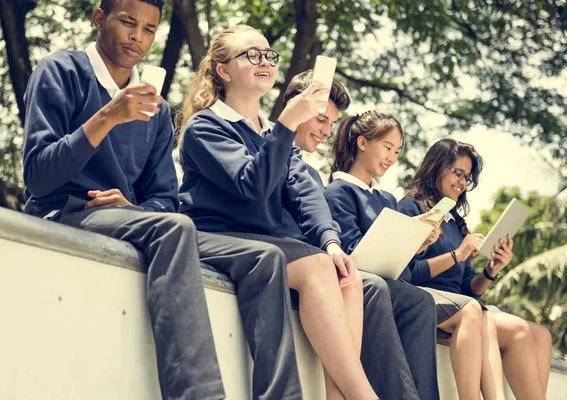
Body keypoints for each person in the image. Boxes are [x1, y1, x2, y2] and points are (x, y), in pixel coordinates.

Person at [22, 2, 303, 398]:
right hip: (66, 212)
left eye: (150, 29)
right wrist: (107, 117)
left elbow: (164, 200)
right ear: (100, 20)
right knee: (174, 228)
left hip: (129, 219)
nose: (139, 36)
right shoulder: (60, 71)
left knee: (266, 258)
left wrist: (133, 211)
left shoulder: (154, 108)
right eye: (128, 23)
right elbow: (37, 175)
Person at [179, 24, 378, 399]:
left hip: (266, 241)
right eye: (251, 54)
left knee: (345, 273)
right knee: (319, 266)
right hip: (220, 239)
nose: (265, 61)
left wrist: (331, 242)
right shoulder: (206, 127)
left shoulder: (272, 132)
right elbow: (251, 187)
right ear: (223, 71)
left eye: (269, 55)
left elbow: (306, 193)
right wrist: (287, 123)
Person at [280, 73, 440, 400]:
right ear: (362, 143)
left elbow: (403, 270)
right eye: (387, 147)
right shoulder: (337, 190)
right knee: (375, 288)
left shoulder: (387, 199)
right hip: (349, 274)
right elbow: (345, 248)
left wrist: (416, 244)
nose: (392, 157)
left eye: (397, 150)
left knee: (420, 300)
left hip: (365, 275)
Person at [398, 138, 553, 400]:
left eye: (467, 177)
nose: (461, 182)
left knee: (541, 334)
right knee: (518, 330)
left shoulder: (457, 224)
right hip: (427, 301)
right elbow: (408, 272)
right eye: (457, 172)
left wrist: (492, 269)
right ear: (436, 168)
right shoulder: (411, 209)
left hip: (464, 304)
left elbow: (469, 288)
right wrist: (456, 255)